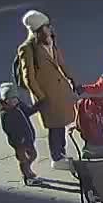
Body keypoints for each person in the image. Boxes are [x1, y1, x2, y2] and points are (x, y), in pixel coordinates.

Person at [12, 9, 77, 165]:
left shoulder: (49, 41)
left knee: (61, 124)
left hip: (59, 91)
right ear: (38, 30)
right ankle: (56, 158)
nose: (50, 28)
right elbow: (29, 77)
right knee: (54, 126)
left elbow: (60, 62)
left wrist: (72, 79)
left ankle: (61, 154)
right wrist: (40, 97)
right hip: (46, 94)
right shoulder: (27, 48)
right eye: (46, 26)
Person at [0, 82, 44, 186]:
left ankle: (28, 169)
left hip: (28, 137)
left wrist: (38, 106)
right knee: (23, 158)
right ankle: (27, 176)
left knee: (33, 155)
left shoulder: (19, 105)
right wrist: (18, 141)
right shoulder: (6, 114)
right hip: (18, 142)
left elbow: (28, 111)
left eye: (15, 99)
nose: (14, 102)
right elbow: (8, 130)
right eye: (10, 100)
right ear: (5, 101)